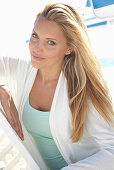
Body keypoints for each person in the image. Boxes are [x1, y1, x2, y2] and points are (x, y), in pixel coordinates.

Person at [0, 3, 114, 170]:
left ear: (69, 48)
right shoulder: (24, 69)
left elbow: (112, 149)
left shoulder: (84, 90)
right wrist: (1, 88)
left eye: (51, 42)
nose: (37, 48)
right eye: (35, 35)